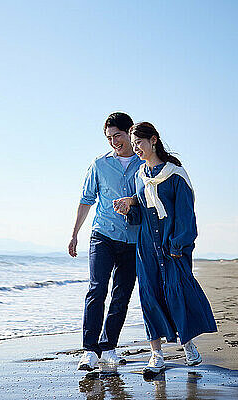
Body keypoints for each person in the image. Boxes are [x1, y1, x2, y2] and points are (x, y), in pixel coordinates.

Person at [113, 122, 217, 374]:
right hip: (146, 248)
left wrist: (179, 242)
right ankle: (156, 354)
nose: (136, 147)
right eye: (133, 143)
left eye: (139, 142)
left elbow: (186, 213)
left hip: (172, 246)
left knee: (177, 293)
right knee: (149, 296)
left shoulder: (175, 174)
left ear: (154, 140)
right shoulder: (140, 176)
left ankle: (188, 345)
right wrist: (129, 209)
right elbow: (141, 215)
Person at [69, 112, 144, 371]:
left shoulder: (145, 165)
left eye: (118, 136)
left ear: (130, 132)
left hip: (134, 239)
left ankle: (109, 346)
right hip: (102, 235)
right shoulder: (99, 164)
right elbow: (86, 199)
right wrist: (75, 233)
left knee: (121, 295)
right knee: (97, 289)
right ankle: (89, 350)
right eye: (109, 138)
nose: (114, 142)